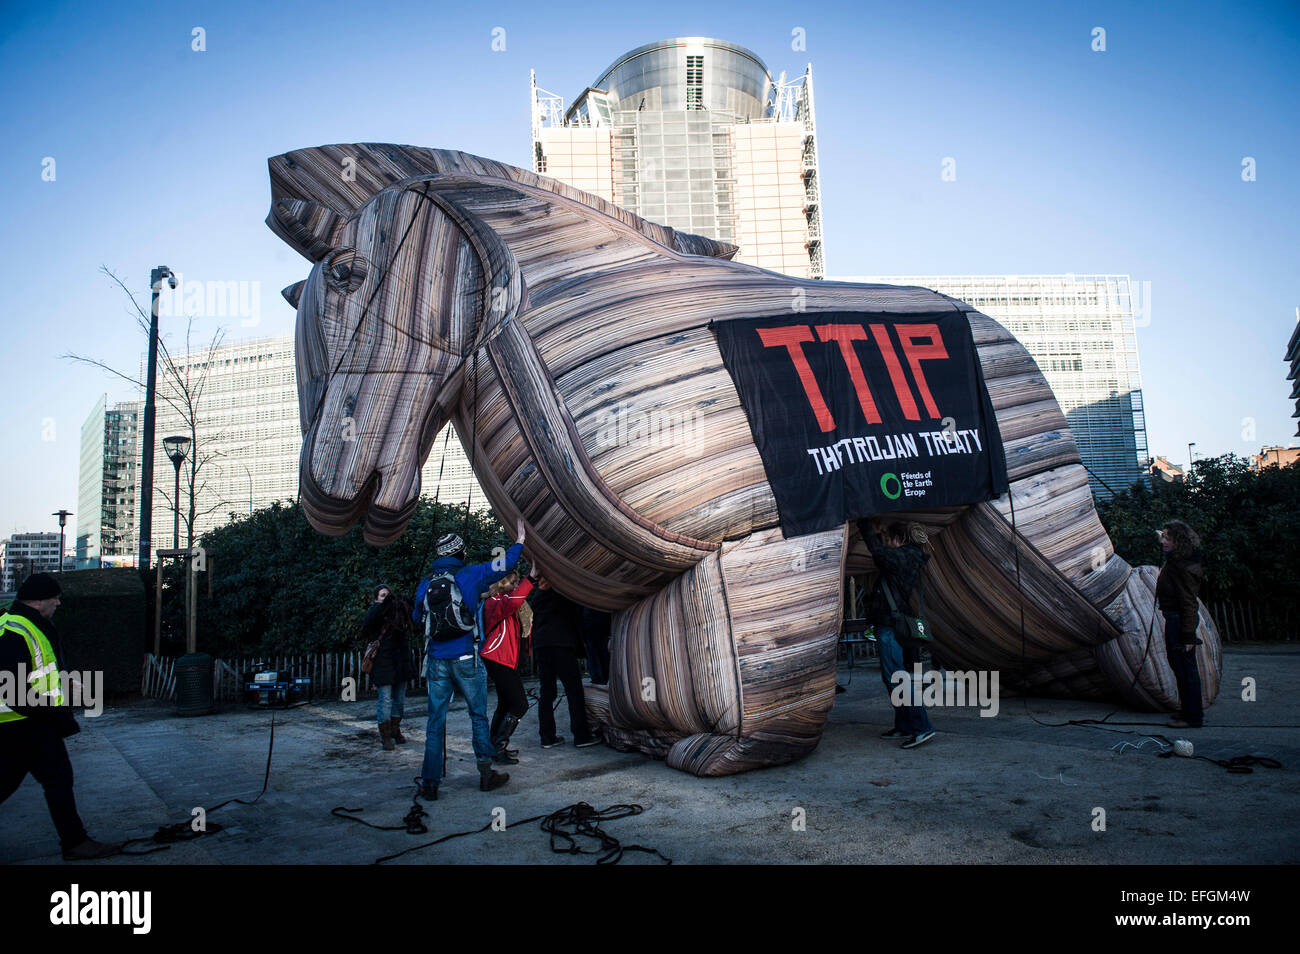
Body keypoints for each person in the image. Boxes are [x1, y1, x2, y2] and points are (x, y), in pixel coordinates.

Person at [0, 573, 118, 860]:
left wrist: (67, 687)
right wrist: (54, 711)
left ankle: (75, 841)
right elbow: (12, 689)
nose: (59, 602)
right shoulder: (19, 630)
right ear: (39, 601)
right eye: (55, 597)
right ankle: (75, 843)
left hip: (24, 721)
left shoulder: (22, 624)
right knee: (55, 780)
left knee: (44, 780)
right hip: (25, 723)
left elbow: (41, 671)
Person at [412, 520, 526, 799]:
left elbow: (417, 618)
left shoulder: (426, 584)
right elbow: (503, 565)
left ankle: (430, 783)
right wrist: (520, 540)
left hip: (437, 660)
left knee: (435, 721)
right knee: (477, 715)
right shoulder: (470, 575)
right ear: (460, 554)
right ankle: (486, 774)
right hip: (466, 657)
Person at [859, 518, 936, 749]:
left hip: (890, 626)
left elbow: (878, 552)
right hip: (892, 625)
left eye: (889, 540)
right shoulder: (909, 558)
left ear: (898, 539)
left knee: (896, 678)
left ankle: (922, 727)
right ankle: (904, 724)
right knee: (892, 676)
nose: (887, 544)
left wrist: (865, 526)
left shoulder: (903, 557)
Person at [528, 578, 598, 749]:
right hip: (562, 644)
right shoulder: (563, 595)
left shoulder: (537, 598)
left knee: (547, 692)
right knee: (574, 690)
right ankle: (581, 736)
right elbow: (577, 617)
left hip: (542, 646)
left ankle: (547, 737)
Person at [481, 566, 538, 764]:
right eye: (512, 582)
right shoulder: (494, 601)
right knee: (520, 704)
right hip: (498, 657)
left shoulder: (500, 601)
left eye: (516, 582)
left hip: (502, 658)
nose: (515, 586)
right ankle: (498, 746)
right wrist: (530, 578)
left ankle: (492, 746)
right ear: (500, 583)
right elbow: (513, 603)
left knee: (505, 704)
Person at [1156, 520, 1205, 729]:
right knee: (1179, 667)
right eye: (1163, 537)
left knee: (1186, 669)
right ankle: (1186, 710)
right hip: (1173, 617)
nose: (1163, 541)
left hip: (1178, 620)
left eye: (1168, 538)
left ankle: (1193, 717)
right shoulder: (1178, 560)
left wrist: (1188, 635)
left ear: (1179, 541)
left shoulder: (1182, 567)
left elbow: (1188, 602)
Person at [360, 586, 418, 751]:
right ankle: (385, 735)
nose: (386, 598)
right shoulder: (375, 613)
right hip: (383, 662)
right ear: (376, 599)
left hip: (400, 661)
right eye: (382, 596)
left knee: (399, 699)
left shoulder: (399, 612)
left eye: (388, 595)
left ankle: (395, 729)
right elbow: (367, 625)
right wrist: (382, 607)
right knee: (385, 700)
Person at [581, 607, 612, 686]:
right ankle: (600, 680)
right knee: (598, 656)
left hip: (595, 629)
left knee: (597, 656)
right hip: (595, 629)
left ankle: (600, 680)